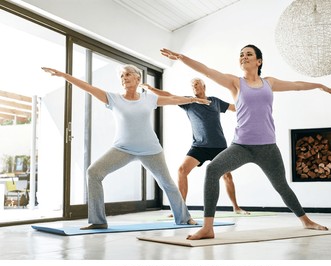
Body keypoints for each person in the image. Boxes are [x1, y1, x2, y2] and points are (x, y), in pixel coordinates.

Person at [160, 45, 331, 240]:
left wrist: (318, 85)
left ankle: (306, 220)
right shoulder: (235, 83)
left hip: (268, 147)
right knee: (213, 170)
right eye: (241, 55)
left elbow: (296, 85)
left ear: (259, 61)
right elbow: (207, 71)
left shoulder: (270, 83)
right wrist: (181, 57)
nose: (244, 57)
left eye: (249, 54)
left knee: (281, 186)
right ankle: (208, 227)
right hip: (241, 146)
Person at [42, 65, 211, 229]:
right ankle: (98, 220)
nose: (124, 78)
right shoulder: (113, 99)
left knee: (167, 183)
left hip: (150, 149)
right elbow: (87, 87)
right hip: (122, 148)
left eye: (128, 74)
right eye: (122, 76)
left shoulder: (148, 98)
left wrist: (193, 99)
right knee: (93, 173)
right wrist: (64, 75)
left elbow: (173, 100)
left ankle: (184, 218)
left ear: (138, 78)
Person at [141, 79, 249, 215]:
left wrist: (250, 102)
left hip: (218, 146)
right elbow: (169, 95)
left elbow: (235, 108)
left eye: (197, 84)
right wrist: (151, 88)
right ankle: (181, 208)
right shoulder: (189, 102)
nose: (194, 86)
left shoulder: (215, 101)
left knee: (227, 176)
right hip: (199, 146)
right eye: (192, 85)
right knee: (182, 170)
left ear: (204, 86)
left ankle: (236, 207)